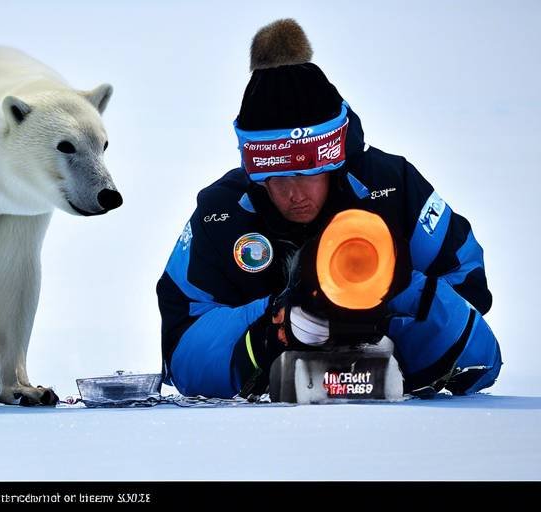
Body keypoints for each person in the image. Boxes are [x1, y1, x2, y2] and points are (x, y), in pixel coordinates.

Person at [156, 19, 502, 399]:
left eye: (307, 173)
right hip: (259, 445)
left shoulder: (392, 188)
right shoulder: (220, 213)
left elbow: (480, 354)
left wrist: (393, 297)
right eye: (275, 177)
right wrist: (272, 328)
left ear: (332, 159)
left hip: (401, 440)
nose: (293, 194)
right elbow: (182, 352)